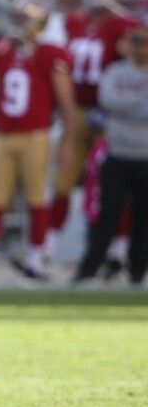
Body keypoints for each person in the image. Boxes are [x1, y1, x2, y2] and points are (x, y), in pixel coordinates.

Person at [0, 0, 75, 283]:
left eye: (22, 18)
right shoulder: (4, 50)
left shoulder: (50, 53)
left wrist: (68, 142)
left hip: (36, 136)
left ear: (37, 22)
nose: (16, 23)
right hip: (4, 135)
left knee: (37, 200)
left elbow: (66, 102)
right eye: (15, 17)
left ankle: (37, 260)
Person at [49, 0, 136, 255]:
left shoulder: (125, 26)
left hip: (109, 116)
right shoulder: (72, 23)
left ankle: (118, 251)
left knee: (111, 187)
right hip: (75, 111)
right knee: (62, 180)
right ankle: (46, 250)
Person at [74, 20, 148, 284]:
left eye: (144, 41)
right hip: (117, 151)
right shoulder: (115, 71)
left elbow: (124, 105)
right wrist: (136, 104)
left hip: (144, 155)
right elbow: (107, 100)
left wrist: (125, 106)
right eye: (136, 41)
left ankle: (138, 271)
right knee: (107, 213)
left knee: (142, 218)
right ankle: (89, 268)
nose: (140, 47)